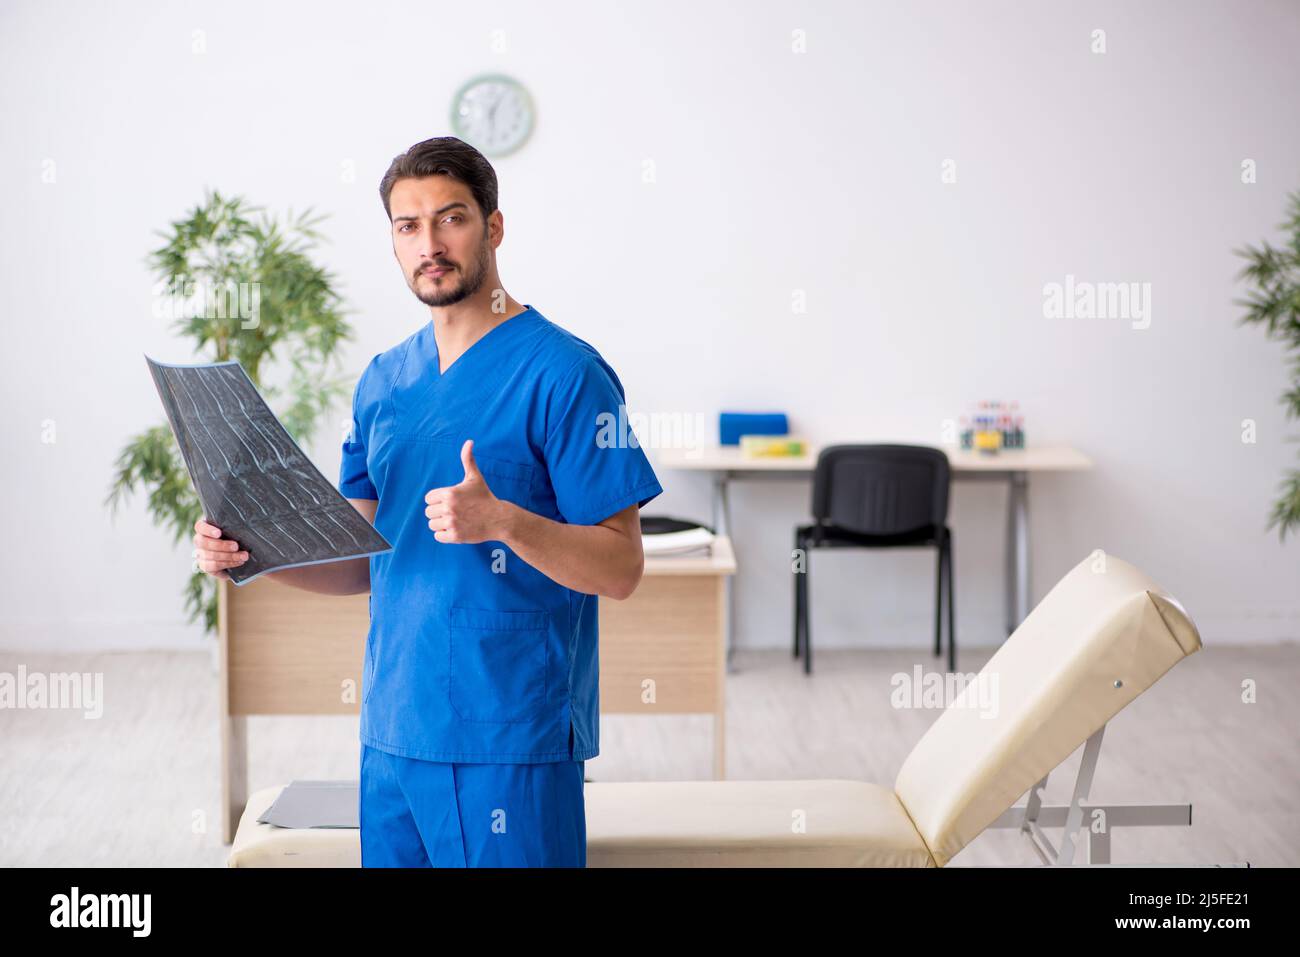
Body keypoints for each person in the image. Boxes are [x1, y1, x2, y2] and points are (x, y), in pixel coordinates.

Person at [193, 136, 662, 867]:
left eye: (452, 219)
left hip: (509, 736)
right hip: (393, 731)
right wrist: (253, 553)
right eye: (408, 226)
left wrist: (502, 520)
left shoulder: (567, 375)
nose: (430, 244)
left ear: (494, 226)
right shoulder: (384, 380)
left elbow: (621, 566)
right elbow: (359, 555)